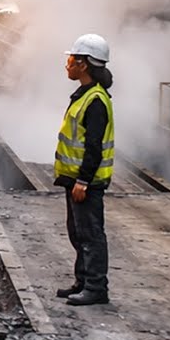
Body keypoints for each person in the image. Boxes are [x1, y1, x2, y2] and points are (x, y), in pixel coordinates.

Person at [53, 33, 115, 306]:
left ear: (84, 64)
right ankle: (82, 282)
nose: (67, 64)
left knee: (91, 234)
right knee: (78, 232)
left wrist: (84, 181)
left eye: (71, 59)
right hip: (73, 179)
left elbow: (94, 147)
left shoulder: (96, 101)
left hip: (86, 182)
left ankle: (96, 288)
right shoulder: (85, 94)